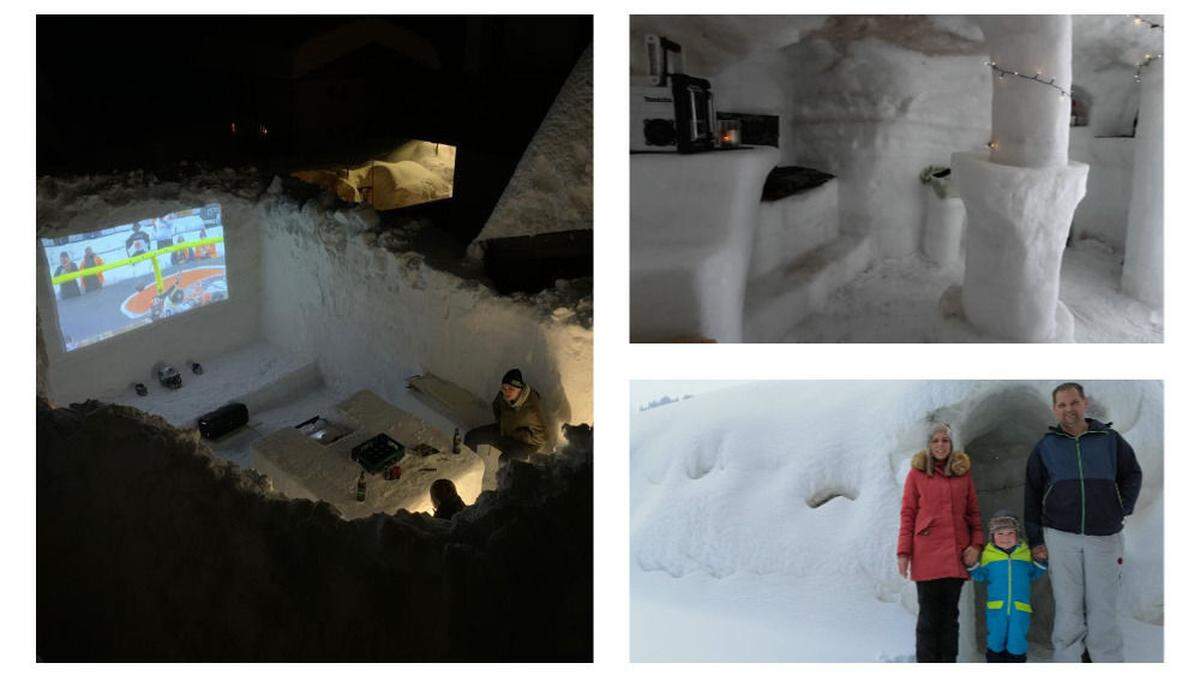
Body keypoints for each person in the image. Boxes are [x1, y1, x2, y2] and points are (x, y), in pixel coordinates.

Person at [1025, 382, 1142, 662]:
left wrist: (1120, 508)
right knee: (1068, 608)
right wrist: (1036, 539)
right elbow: (1032, 493)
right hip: (1060, 535)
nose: (1069, 409)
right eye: (1062, 405)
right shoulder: (1046, 446)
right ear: (1054, 409)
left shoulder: (1109, 439)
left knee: (1103, 607)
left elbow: (1132, 474)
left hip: (1104, 535)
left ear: (1084, 403)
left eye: (1073, 402)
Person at [897, 421, 984, 662]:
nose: (940, 445)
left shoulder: (962, 474)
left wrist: (976, 545)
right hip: (926, 556)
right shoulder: (916, 474)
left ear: (952, 444)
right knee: (928, 619)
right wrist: (903, 553)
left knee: (949, 619)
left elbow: (973, 514)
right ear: (928, 445)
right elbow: (908, 514)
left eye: (945, 440)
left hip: (955, 556)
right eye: (935, 440)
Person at [967, 510, 1047, 662]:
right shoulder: (988, 556)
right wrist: (972, 566)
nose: (1005, 538)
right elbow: (982, 575)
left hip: (1020, 609)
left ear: (1017, 534)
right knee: (996, 640)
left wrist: (1041, 562)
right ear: (992, 536)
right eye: (1000, 534)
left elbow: (1033, 573)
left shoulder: (1025, 554)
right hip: (997, 609)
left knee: (1017, 642)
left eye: (1010, 533)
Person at [463, 368, 548, 462]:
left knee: (505, 460)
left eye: (511, 389)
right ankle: (471, 467)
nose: (506, 391)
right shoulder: (503, 395)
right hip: (505, 431)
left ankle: (503, 476)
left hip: (524, 445)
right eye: (504, 387)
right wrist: (501, 421)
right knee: (471, 437)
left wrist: (521, 435)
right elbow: (496, 405)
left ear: (520, 390)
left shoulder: (531, 411)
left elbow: (542, 438)